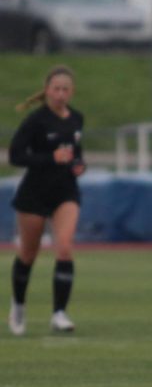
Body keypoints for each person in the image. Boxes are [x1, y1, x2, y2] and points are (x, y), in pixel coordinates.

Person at [8, 65, 86, 336]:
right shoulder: (36, 121)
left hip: (66, 191)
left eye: (65, 89)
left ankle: (59, 313)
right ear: (47, 90)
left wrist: (79, 165)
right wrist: (49, 159)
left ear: (71, 91)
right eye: (56, 89)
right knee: (28, 254)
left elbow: (77, 154)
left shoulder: (76, 118)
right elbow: (16, 156)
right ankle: (18, 305)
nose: (61, 94)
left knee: (64, 247)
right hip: (35, 192)